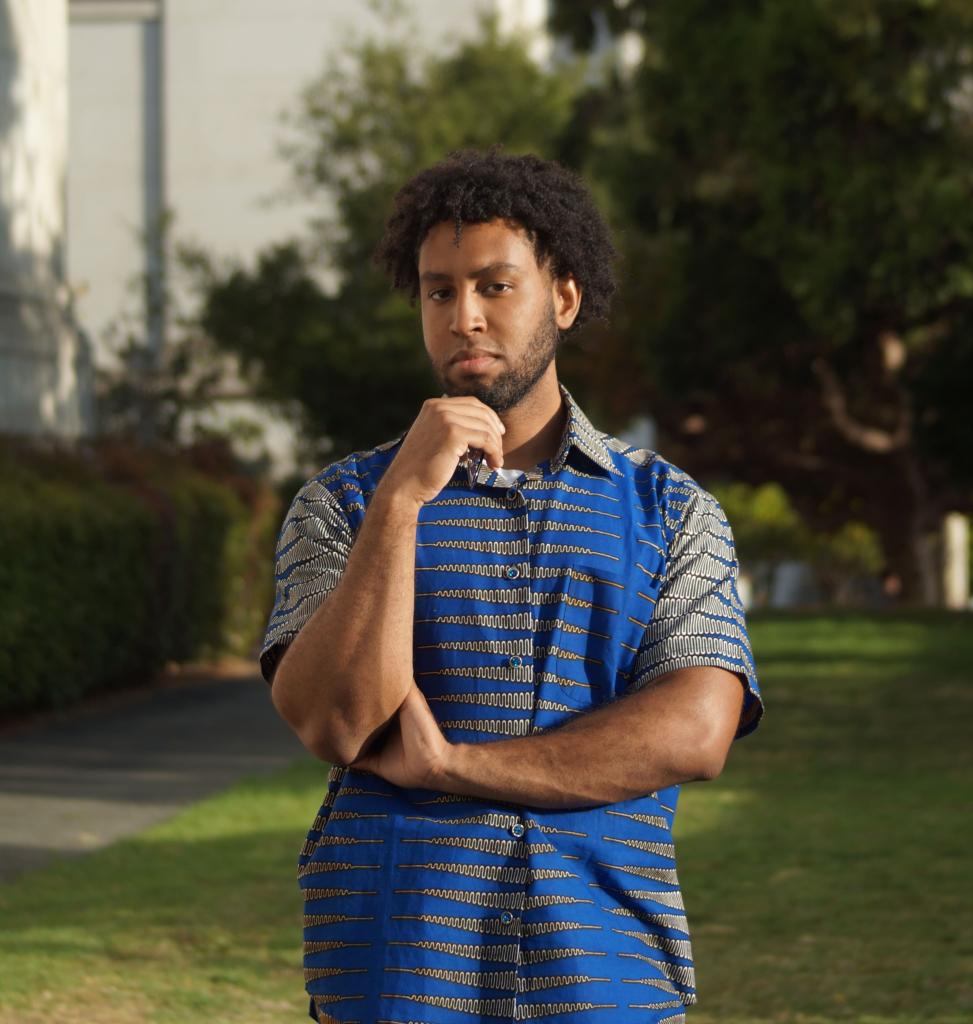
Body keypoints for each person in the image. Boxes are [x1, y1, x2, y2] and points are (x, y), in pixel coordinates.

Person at [260, 148, 764, 1024]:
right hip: (396, 970)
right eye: (438, 290)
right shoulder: (342, 504)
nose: (464, 318)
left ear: (562, 297)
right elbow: (333, 722)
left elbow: (695, 729)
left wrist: (452, 765)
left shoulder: (671, 510)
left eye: (495, 286)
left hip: (605, 970)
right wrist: (401, 505)